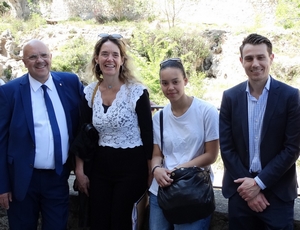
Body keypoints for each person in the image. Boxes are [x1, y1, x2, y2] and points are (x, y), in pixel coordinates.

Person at [0, 39, 84, 230]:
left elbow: (83, 124)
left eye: (44, 55)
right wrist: (2, 186)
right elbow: (1, 141)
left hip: (58, 177)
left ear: (50, 57)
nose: (40, 61)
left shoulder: (70, 83)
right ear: (24, 62)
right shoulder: (9, 92)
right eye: (33, 57)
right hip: (22, 180)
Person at [219, 33, 300, 230]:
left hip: (277, 191)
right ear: (241, 61)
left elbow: (292, 148)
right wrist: (249, 188)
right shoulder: (230, 97)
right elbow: (227, 147)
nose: (255, 63)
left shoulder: (291, 96)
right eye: (249, 58)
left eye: (260, 57)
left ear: (271, 58)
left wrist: (259, 184)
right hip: (240, 190)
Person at [74, 33, 153, 230]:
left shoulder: (137, 92)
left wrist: (151, 173)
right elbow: (82, 135)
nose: (110, 59)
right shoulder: (89, 92)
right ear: (97, 59)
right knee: (98, 221)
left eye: (115, 55)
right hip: (99, 169)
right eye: (104, 54)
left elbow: (148, 136)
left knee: (122, 222)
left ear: (122, 60)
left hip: (132, 169)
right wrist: (80, 170)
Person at [148, 58, 219, 230]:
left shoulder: (206, 111)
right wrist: (156, 169)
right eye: (165, 83)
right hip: (162, 189)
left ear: (185, 81)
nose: (170, 88)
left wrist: (180, 169)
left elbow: (211, 155)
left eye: (175, 82)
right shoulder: (160, 117)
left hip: (193, 190)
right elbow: (157, 154)